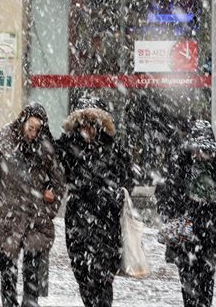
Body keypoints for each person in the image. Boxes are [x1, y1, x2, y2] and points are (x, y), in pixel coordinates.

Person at [0, 102, 65, 307]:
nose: (33, 133)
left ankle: (30, 302)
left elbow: (58, 182)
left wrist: (50, 206)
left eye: (37, 129)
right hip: (9, 214)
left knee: (33, 265)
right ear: (23, 121)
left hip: (37, 216)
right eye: (30, 128)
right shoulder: (3, 139)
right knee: (8, 268)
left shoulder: (46, 147)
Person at [56, 97, 134, 307]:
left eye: (92, 124)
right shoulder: (68, 146)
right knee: (83, 276)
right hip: (78, 222)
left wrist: (114, 193)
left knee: (103, 279)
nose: (87, 129)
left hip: (106, 221)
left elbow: (128, 179)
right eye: (83, 123)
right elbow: (52, 163)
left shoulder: (112, 149)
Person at [156, 120, 216, 307]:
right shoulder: (179, 165)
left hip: (209, 236)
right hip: (186, 235)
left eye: (204, 150)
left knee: (206, 285)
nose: (200, 154)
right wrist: (172, 214)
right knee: (189, 287)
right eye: (196, 149)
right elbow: (164, 194)